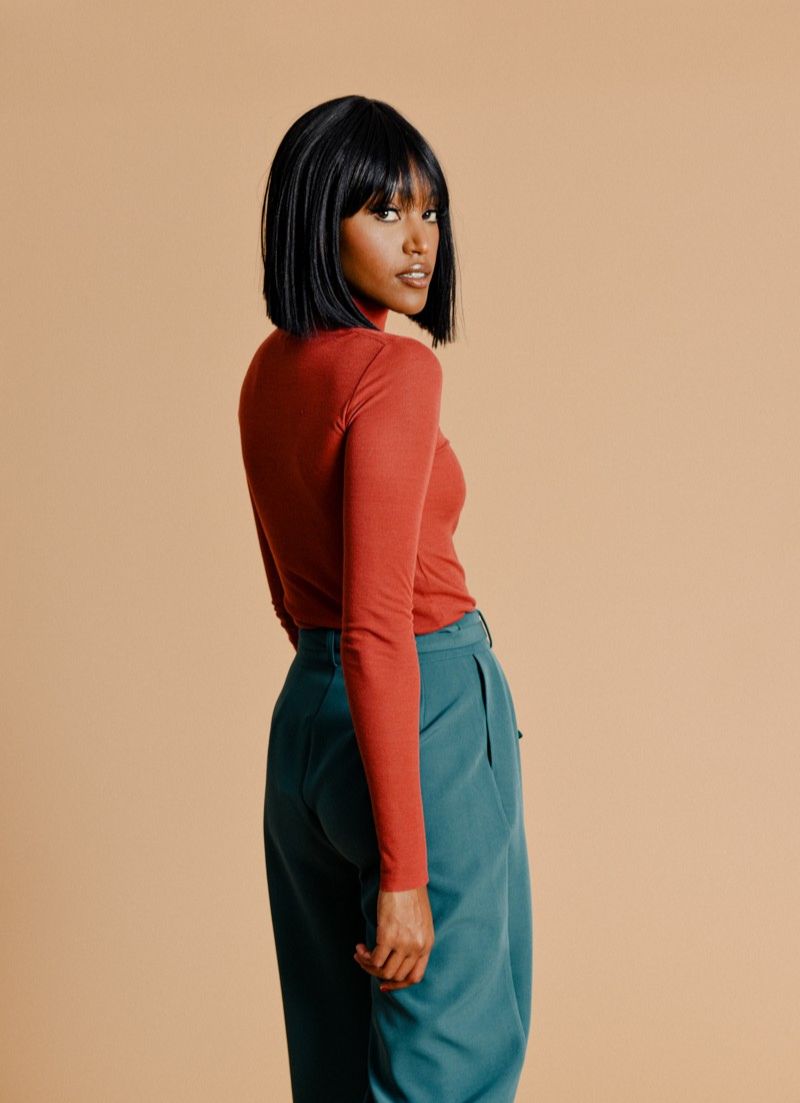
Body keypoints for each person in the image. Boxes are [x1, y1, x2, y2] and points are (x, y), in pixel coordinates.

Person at [238, 94, 533, 1102]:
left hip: (307, 724)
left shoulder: (270, 369)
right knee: (449, 1065)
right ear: (314, 220)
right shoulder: (392, 370)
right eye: (383, 211)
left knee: (330, 1067)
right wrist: (403, 869)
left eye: (429, 210)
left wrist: (331, 699)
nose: (419, 241)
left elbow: (293, 593)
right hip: (421, 710)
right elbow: (377, 625)